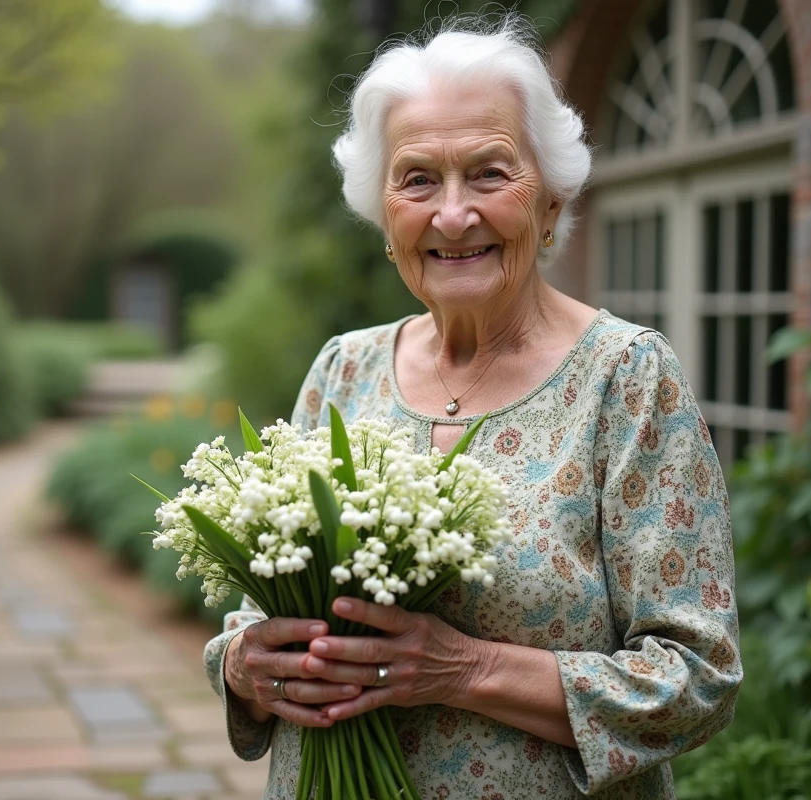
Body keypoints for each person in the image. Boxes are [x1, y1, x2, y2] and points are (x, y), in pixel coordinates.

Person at [204, 17, 741, 798]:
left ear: (551, 200)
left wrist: (463, 668)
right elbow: (255, 615)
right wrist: (249, 667)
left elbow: (697, 678)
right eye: (418, 179)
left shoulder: (625, 378)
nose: (453, 215)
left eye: (489, 174)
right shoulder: (342, 369)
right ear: (384, 216)